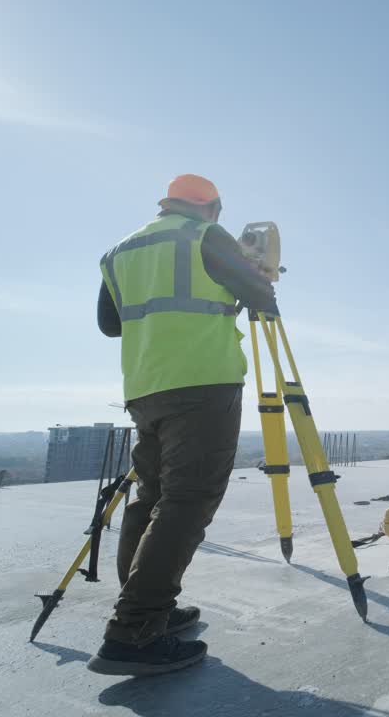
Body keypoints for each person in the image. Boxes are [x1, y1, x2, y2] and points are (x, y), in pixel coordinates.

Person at [88, 174, 277, 676]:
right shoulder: (205, 236)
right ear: (211, 207)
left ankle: (152, 612)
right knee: (187, 501)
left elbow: (111, 324)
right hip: (203, 382)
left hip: (145, 387)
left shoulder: (120, 250)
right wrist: (260, 275)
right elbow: (260, 293)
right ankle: (134, 630)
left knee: (152, 498)